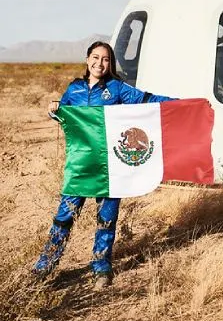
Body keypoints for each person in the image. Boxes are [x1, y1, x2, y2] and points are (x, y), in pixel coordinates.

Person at [33, 41, 176, 290]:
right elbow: (62, 114)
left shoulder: (116, 88)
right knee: (63, 218)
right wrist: (53, 109)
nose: (100, 63)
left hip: (110, 167)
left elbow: (147, 99)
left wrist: (181, 104)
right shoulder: (74, 89)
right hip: (80, 165)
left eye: (106, 59)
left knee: (106, 220)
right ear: (88, 59)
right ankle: (45, 266)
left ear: (111, 64)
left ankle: (101, 268)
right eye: (96, 57)